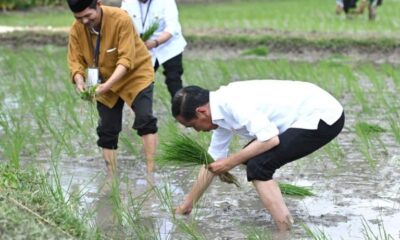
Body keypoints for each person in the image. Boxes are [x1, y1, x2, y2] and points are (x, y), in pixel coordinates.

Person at [171, 80, 345, 231]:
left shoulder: (233, 103)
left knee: (259, 165)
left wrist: (230, 162)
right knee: (250, 158)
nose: (198, 131)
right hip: (305, 111)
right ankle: (282, 219)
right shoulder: (218, 114)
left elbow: (270, 140)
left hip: (322, 115)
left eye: (193, 125)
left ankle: (284, 228)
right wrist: (187, 204)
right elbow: (212, 162)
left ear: (202, 112)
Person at [67, 0, 158, 176]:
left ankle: (150, 172)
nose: (84, 21)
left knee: (145, 120)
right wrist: (79, 81)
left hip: (135, 74)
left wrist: (105, 87)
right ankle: (111, 175)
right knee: (107, 129)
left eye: (88, 16)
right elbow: (75, 60)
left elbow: (126, 60)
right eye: (79, 18)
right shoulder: (77, 28)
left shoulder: (121, 19)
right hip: (104, 78)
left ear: (98, 4)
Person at [121, 0, 187, 101]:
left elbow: (172, 28)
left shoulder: (166, 2)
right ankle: (144, 115)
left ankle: (181, 112)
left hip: (169, 46)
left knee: (173, 79)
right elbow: (124, 23)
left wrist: (156, 42)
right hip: (144, 47)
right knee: (143, 81)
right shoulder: (127, 2)